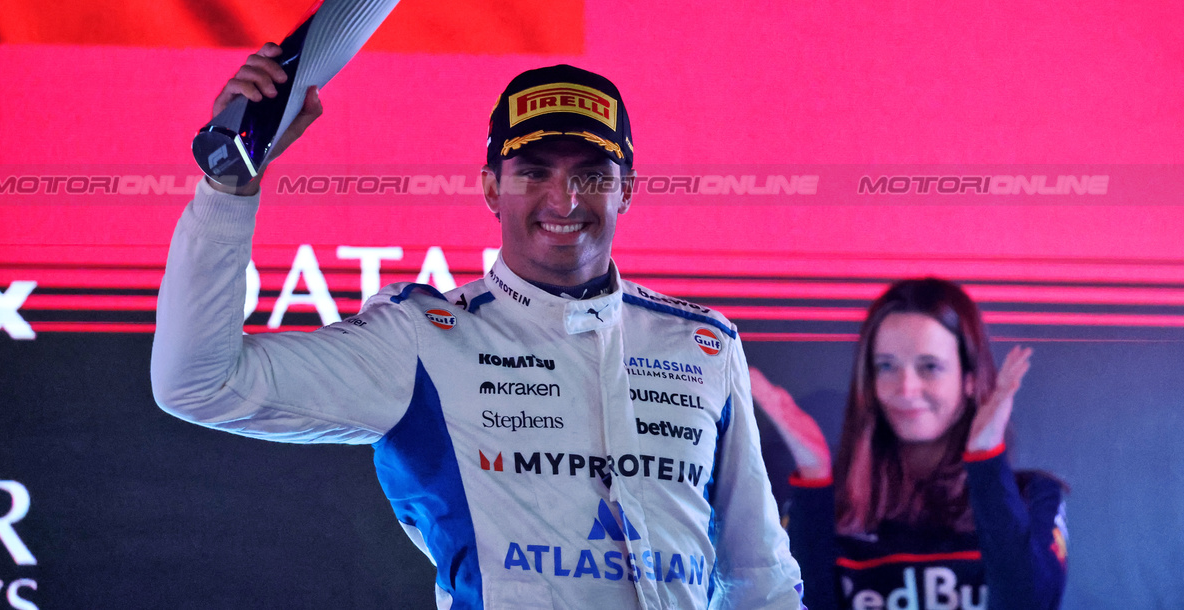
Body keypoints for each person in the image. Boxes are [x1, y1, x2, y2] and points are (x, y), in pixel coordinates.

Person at [152, 48, 805, 609]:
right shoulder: (422, 338)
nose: (564, 199)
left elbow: (760, 577)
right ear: (492, 188)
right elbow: (198, 383)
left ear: (626, 189)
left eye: (590, 174)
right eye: (534, 172)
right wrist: (228, 185)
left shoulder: (702, 344)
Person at [748, 278, 1067, 610]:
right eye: (887, 366)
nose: (906, 388)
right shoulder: (830, 507)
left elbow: (1031, 603)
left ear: (970, 379)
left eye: (929, 367)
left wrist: (986, 461)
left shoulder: (1032, 497)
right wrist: (813, 476)